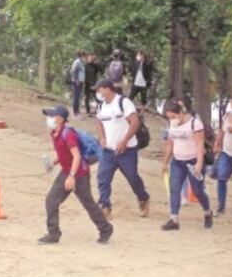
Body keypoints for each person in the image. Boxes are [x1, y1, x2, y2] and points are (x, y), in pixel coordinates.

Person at [38, 105, 114, 244]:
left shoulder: (69, 134)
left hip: (79, 174)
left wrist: (72, 176)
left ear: (60, 119)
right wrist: (53, 164)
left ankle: (106, 229)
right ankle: (53, 233)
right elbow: (64, 155)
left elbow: (77, 156)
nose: (48, 119)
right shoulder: (55, 133)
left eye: (51, 116)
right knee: (51, 200)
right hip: (67, 171)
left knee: (88, 203)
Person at [94, 79, 151, 220]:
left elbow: (135, 122)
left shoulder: (123, 102)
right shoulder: (101, 107)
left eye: (100, 90)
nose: (98, 93)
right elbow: (99, 122)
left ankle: (143, 198)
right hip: (108, 151)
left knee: (133, 178)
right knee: (103, 178)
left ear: (108, 89)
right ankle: (105, 206)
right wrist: (101, 138)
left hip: (127, 151)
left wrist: (125, 141)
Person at [162, 99, 214, 230]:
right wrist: (165, 162)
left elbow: (200, 144)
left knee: (197, 190)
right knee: (174, 188)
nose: (172, 119)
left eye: (173, 116)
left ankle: (207, 211)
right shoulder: (172, 125)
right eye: (169, 117)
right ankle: (174, 218)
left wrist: (199, 163)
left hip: (192, 161)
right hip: (177, 161)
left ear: (180, 112)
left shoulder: (194, 124)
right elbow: (170, 144)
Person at [70, 51, 87, 119]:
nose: (85, 57)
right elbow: (73, 71)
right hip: (76, 82)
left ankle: (78, 112)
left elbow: (81, 73)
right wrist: (76, 80)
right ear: (81, 55)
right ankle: (75, 113)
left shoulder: (81, 62)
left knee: (78, 98)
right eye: (84, 56)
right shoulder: (77, 62)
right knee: (76, 98)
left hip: (80, 82)